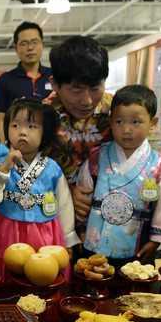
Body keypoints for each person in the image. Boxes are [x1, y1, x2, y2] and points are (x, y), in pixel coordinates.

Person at [77, 85, 161, 265]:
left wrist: (155, 240)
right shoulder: (97, 156)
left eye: (136, 122)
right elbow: (84, 192)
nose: (126, 130)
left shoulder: (160, 165)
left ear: (153, 124)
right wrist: (80, 228)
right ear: (111, 121)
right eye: (119, 122)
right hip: (94, 238)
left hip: (137, 244)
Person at [0, 99, 79, 260]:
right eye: (15, 125)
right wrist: (3, 169)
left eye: (31, 126)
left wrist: (67, 238)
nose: (22, 132)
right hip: (6, 230)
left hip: (45, 232)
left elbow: (64, 203)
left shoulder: (52, 168)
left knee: (42, 271)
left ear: (44, 132)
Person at [47, 35, 113, 222]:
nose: (87, 101)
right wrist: (66, 193)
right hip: (56, 218)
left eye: (94, 88)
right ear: (54, 85)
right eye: (76, 90)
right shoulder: (41, 118)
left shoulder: (117, 113)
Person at [0, 22, 52, 141]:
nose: (30, 48)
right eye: (24, 44)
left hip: (51, 142)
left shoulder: (54, 76)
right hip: (18, 143)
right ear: (16, 48)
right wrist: (4, 147)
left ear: (42, 44)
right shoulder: (6, 80)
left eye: (34, 42)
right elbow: (1, 117)